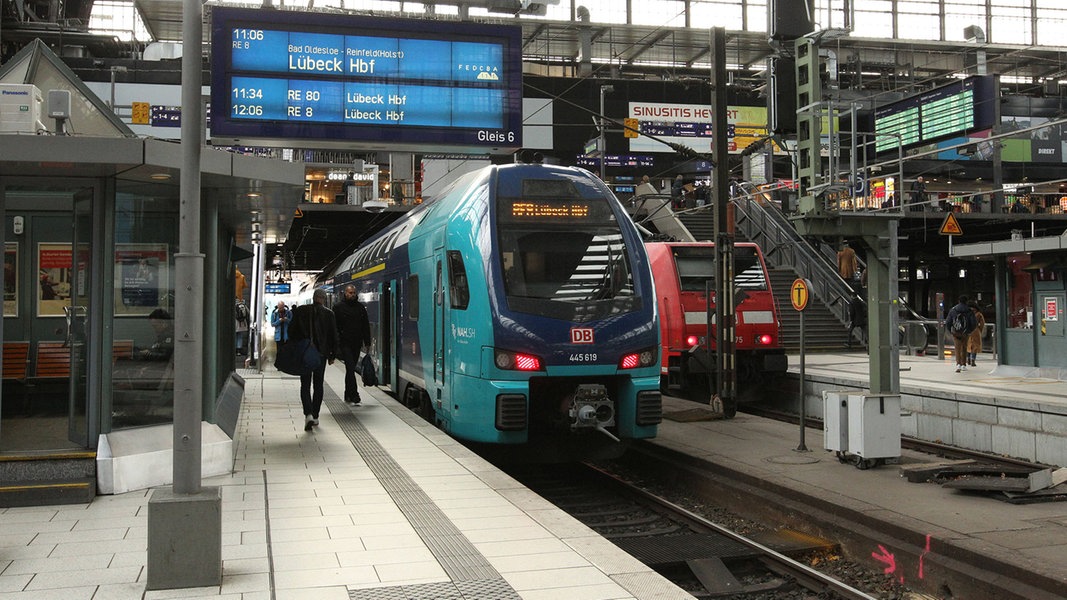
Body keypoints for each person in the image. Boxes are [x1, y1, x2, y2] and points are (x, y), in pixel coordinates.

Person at [289, 289, 338, 431]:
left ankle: (308, 414)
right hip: (320, 355)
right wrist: (332, 356)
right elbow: (334, 336)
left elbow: (291, 331)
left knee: (305, 384)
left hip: (304, 354)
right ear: (323, 299)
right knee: (318, 384)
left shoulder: (300, 311)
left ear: (313, 297)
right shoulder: (329, 314)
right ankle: (315, 415)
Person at [333, 284, 371, 405]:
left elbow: (365, 325)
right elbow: (334, 327)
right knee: (350, 367)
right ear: (345, 293)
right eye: (350, 293)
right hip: (344, 343)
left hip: (356, 343)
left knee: (350, 369)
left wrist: (367, 342)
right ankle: (354, 394)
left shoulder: (360, 308)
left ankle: (347, 393)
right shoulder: (338, 307)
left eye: (354, 293)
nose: (352, 295)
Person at [945, 294, 978, 373]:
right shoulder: (969, 311)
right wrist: (969, 331)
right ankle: (963, 365)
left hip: (956, 332)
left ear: (958, 301)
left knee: (957, 348)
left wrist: (951, 331)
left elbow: (948, 322)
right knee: (964, 348)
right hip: (965, 332)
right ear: (966, 301)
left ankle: (958, 364)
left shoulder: (953, 310)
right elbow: (974, 323)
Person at [967, 301, 986, 368]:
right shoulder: (979, 314)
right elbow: (982, 323)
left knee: (968, 345)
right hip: (975, 331)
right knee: (975, 346)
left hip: (968, 330)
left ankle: (968, 358)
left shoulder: (967, 313)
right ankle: (973, 360)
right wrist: (979, 330)